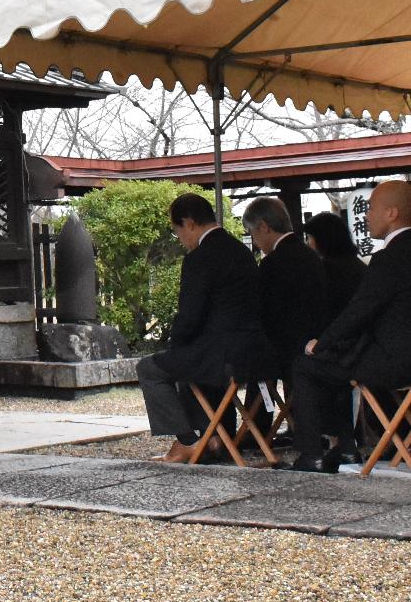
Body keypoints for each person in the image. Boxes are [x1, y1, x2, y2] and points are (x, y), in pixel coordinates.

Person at [289, 181, 411, 472]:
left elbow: (359, 311)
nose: (366, 215)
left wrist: (321, 343)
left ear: (392, 213)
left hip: (395, 361)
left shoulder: (389, 258)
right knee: (337, 360)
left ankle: (315, 453)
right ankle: (344, 448)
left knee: (306, 365)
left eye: (370, 208)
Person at [135, 194, 270, 463]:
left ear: (189, 223)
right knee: (187, 363)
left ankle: (188, 440)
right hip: (255, 350)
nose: (181, 239)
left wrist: (174, 344)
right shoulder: (240, 250)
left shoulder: (200, 257)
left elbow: (189, 315)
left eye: (178, 231)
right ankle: (217, 439)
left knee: (149, 369)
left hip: (220, 354)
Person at [244, 196, 327, 381]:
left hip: (286, 351)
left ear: (264, 227)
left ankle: (256, 411)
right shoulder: (311, 255)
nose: (255, 241)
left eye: (252, 232)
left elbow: (264, 312)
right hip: (318, 344)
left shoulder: (272, 263)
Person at [302, 211, 366, 328]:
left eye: (310, 237)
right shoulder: (359, 265)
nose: (308, 243)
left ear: (323, 239)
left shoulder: (325, 270)